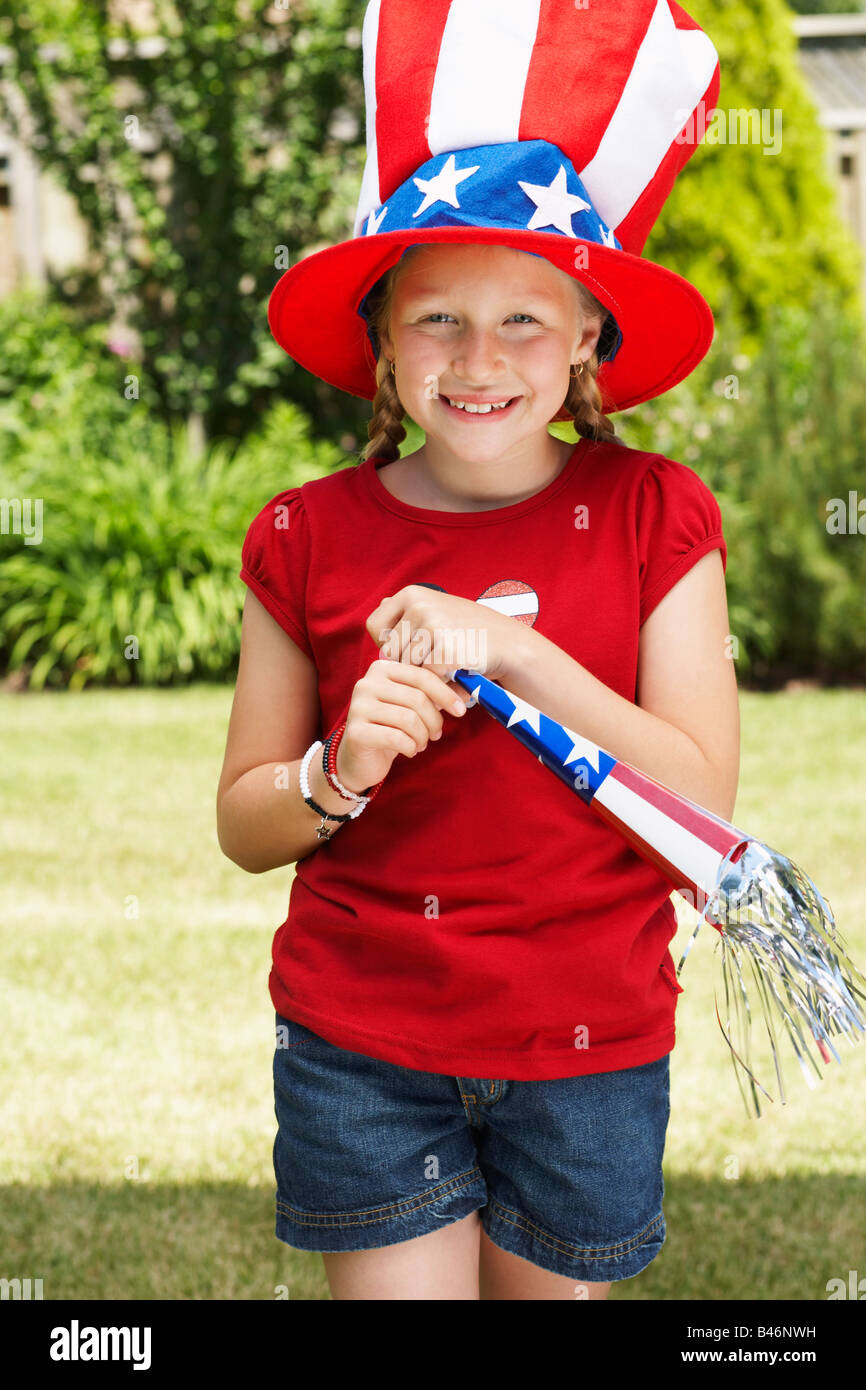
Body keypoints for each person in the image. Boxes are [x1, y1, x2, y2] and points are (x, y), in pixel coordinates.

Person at [216, 0, 738, 1300]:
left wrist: (511, 647)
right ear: (383, 348)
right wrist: (340, 772)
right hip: (364, 1040)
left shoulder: (650, 514)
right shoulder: (303, 532)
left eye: (523, 322)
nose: (478, 359)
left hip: (589, 1041)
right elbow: (243, 818)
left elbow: (698, 797)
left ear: (585, 345)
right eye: (436, 319)